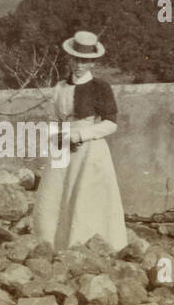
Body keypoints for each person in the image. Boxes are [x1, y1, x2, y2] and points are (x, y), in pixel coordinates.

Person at [32, 30, 128, 252]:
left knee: (85, 197)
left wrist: (80, 135)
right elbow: (53, 118)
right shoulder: (59, 88)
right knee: (53, 196)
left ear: (92, 63)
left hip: (89, 148)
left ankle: (84, 246)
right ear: (69, 59)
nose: (79, 65)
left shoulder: (100, 88)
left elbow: (111, 123)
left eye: (85, 61)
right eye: (76, 59)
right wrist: (59, 136)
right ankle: (52, 245)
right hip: (62, 145)